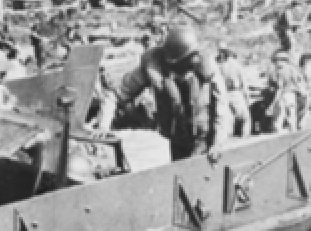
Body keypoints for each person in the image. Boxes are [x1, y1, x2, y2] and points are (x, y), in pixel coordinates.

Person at [94, 27, 228, 160]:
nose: (192, 61)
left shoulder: (207, 68)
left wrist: (218, 143)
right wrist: (103, 127)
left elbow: (222, 106)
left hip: (205, 138)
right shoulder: (154, 67)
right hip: (177, 139)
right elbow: (116, 95)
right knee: (179, 176)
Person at [266, 50, 308, 134]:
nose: (276, 63)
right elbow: (298, 82)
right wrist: (302, 92)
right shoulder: (292, 69)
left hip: (283, 95)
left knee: (279, 118)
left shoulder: (279, 71)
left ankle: (278, 135)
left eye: (277, 60)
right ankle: (293, 133)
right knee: (291, 117)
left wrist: (273, 102)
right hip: (291, 95)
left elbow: (278, 87)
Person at [217, 43, 251, 139]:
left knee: (228, 119)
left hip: (224, 93)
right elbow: (244, 83)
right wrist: (247, 97)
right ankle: (245, 139)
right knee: (245, 118)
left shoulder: (219, 66)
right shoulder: (235, 65)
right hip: (235, 93)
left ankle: (227, 140)